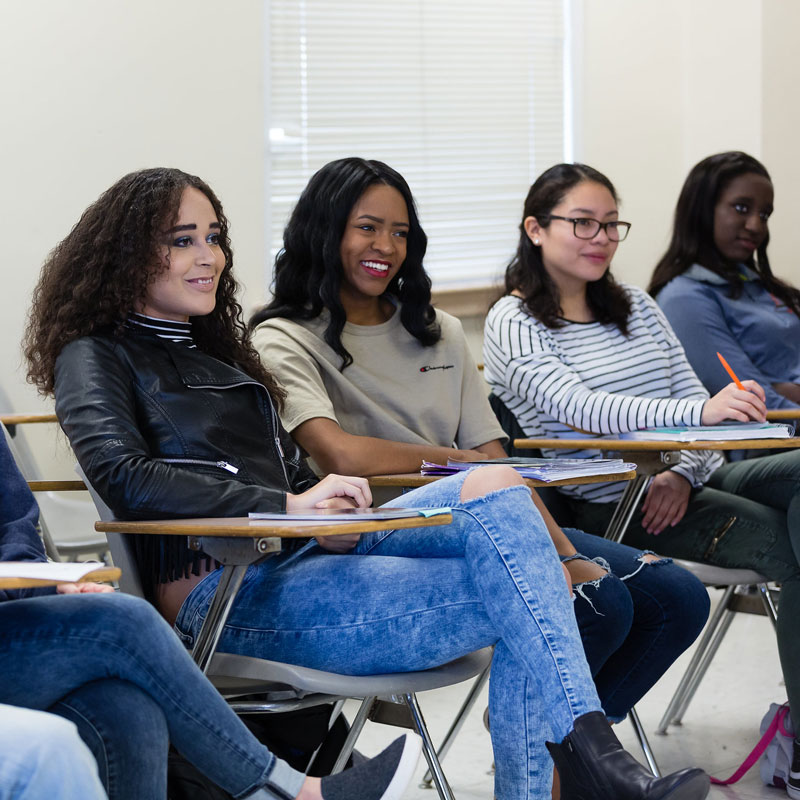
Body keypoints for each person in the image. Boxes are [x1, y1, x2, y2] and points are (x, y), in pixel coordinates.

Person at [23, 166, 708, 800]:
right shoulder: (96, 355)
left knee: (498, 489)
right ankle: (593, 760)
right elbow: (123, 474)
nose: (210, 256)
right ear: (124, 256)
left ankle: (586, 755)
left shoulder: (215, 352)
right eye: (182, 241)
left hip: (302, 556)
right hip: (227, 588)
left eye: (214, 238)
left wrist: (327, 507)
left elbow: (278, 470)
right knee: (536, 582)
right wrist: (289, 504)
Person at [248, 156, 709, 737]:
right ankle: (556, 752)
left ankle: (559, 745)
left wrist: (565, 553)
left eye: (400, 232)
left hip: (480, 510)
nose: (386, 246)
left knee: (676, 598)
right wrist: (463, 465)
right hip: (378, 528)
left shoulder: (436, 328)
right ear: (325, 229)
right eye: (367, 227)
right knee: (601, 604)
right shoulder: (281, 336)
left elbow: (496, 462)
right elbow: (340, 455)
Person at [483, 161, 800, 800]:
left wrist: (683, 468)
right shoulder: (511, 322)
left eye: (610, 225)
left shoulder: (639, 307)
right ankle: (565, 738)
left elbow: (693, 404)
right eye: (582, 223)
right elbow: (585, 411)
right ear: (536, 229)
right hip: (602, 507)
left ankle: (569, 740)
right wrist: (696, 422)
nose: (600, 237)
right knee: (785, 550)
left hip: (676, 490)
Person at [0, 423, 420, 800]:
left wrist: (45, 582)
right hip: (215, 574)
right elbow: (124, 474)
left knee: (128, 712)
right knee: (124, 621)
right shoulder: (95, 358)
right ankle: (282, 789)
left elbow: (13, 526)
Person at [649, 151, 800, 411]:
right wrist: (780, 392)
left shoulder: (763, 286)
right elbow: (751, 402)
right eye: (741, 208)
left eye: (764, 215)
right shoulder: (684, 298)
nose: (755, 225)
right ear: (702, 210)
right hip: (763, 443)